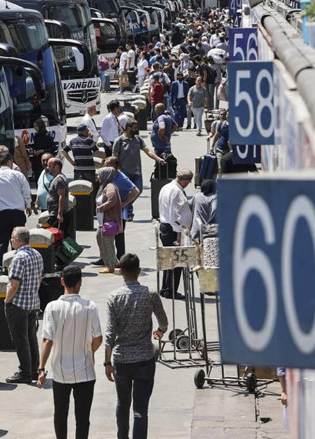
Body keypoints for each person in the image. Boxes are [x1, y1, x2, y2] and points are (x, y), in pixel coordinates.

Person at [105, 253, 169, 439]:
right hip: (144, 359)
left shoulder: (114, 298)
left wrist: (107, 362)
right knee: (140, 408)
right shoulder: (150, 295)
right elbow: (163, 322)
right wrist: (160, 331)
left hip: (121, 360)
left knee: (122, 405)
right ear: (139, 271)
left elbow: (110, 333)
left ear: (120, 272)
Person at [37, 265, 103, 439]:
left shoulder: (52, 307)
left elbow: (47, 339)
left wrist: (41, 368)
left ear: (62, 281)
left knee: (60, 414)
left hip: (60, 372)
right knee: (83, 418)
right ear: (80, 283)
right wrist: (90, 352)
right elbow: (98, 339)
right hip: (86, 372)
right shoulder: (90, 307)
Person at [4, 227, 44, 384]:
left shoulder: (18, 258)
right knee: (31, 338)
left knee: (20, 339)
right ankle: (34, 370)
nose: (11, 241)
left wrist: (7, 301)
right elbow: (39, 279)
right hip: (33, 302)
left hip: (18, 304)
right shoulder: (37, 254)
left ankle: (25, 372)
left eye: (13, 238)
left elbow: (14, 284)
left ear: (19, 240)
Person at [114, 120, 166, 220]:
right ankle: (128, 213)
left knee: (138, 190)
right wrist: (119, 171)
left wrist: (158, 159)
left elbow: (148, 151)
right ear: (128, 128)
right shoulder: (119, 141)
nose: (136, 129)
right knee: (126, 193)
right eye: (134, 127)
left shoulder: (138, 139)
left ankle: (124, 206)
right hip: (125, 173)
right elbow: (115, 158)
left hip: (137, 172)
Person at [157, 169, 194, 300]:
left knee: (168, 260)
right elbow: (174, 214)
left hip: (167, 227)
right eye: (188, 182)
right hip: (172, 230)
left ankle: (165, 288)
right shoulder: (176, 191)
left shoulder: (166, 187)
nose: (188, 184)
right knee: (176, 261)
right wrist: (178, 233)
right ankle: (171, 290)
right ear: (184, 180)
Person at [0, 153, 32, 266]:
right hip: (17, 213)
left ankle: (1, 266)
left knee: (2, 242)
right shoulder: (18, 175)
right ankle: (18, 264)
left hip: (2, 214)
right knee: (19, 241)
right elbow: (26, 192)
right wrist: (28, 206)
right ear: (10, 162)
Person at [102, 157, 141, 262]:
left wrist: (125, 203)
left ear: (116, 166)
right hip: (107, 211)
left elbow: (135, 191)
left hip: (118, 213)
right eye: (105, 164)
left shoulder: (121, 178)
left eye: (108, 165)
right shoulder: (107, 175)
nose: (105, 167)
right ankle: (105, 257)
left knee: (118, 237)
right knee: (105, 235)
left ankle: (120, 259)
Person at [0, 145, 21, 263]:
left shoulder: (15, 169)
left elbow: (21, 189)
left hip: (12, 208)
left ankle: (13, 260)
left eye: (0, 153)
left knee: (13, 238)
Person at [95, 167, 122, 274]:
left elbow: (112, 200)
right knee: (100, 239)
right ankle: (114, 261)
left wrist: (101, 207)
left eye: (99, 175)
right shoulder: (104, 186)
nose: (98, 177)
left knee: (108, 244)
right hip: (102, 221)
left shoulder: (110, 187)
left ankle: (110, 266)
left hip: (109, 222)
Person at [46, 158, 72, 238]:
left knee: (58, 238)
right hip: (54, 212)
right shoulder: (57, 178)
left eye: (49, 166)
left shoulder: (59, 179)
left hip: (57, 214)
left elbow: (61, 196)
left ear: (56, 167)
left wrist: (60, 214)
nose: (47, 168)